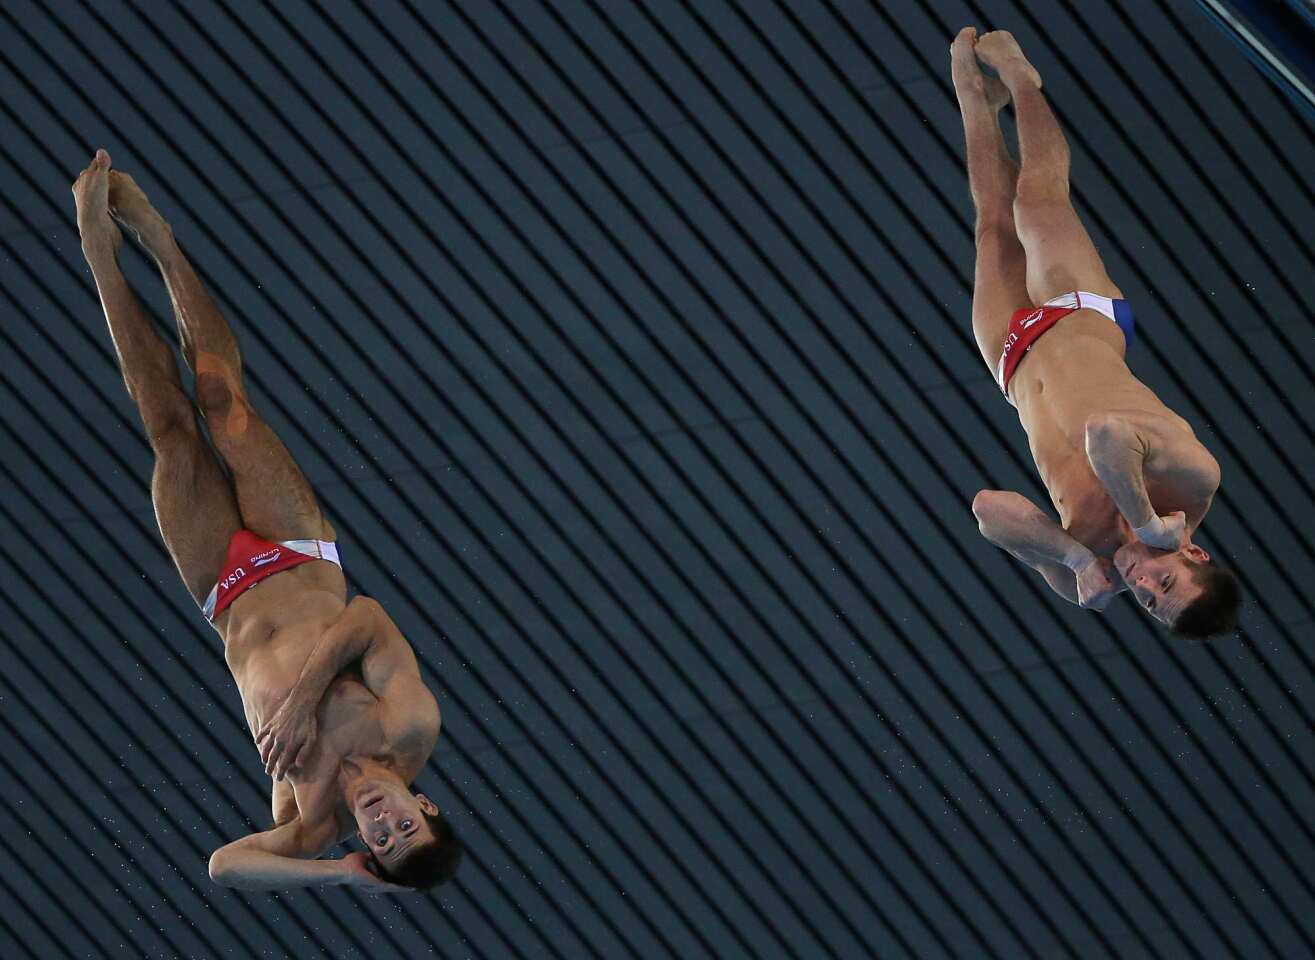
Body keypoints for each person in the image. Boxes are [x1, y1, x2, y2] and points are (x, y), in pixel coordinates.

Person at [71, 149, 462, 890]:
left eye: (382, 840)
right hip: (300, 552)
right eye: (406, 822)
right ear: (425, 801)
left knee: (168, 426)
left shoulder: (308, 818)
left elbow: (225, 867)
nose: (384, 820)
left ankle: (100, 257)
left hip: (222, 587)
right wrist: (305, 701)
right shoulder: (407, 725)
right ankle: (160, 241)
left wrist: (344, 876)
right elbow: (368, 619)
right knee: (223, 406)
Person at [949, 30, 1241, 638]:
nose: (1140, 583)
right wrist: (1146, 517)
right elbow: (1105, 433)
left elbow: (986, 510)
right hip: (1083, 314)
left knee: (993, 225)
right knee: (1036, 201)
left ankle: (975, 100)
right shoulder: (1194, 481)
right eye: (1165, 581)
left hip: (1011, 358)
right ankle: (1025, 82)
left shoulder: (1084, 562)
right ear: (1196, 554)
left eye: (1147, 602)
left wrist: (1075, 557)